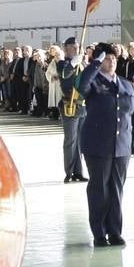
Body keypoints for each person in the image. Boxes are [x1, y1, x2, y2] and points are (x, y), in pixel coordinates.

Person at [77, 43, 134, 246]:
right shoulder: (93, 82)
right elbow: (80, 86)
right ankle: (99, 232)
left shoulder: (126, 85)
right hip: (97, 145)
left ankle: (114, 231)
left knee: (116, 189)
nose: (112, 61)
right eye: (106, 58)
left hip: (121, 146)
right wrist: (94, 63)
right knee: (99, 189)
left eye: (114, 57)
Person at [57, 38, 88, 184]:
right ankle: (68, 172)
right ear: (65, 49)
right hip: (69, 105)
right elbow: (64, 74)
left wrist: (85, 63)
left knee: (80, 142)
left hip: (82, 106)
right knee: (70, 140)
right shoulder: (62, 64)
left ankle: (78, 172)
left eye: (77, 47)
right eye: (72, 47)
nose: (75, 50)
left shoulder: (81, 64)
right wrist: (74, 62)